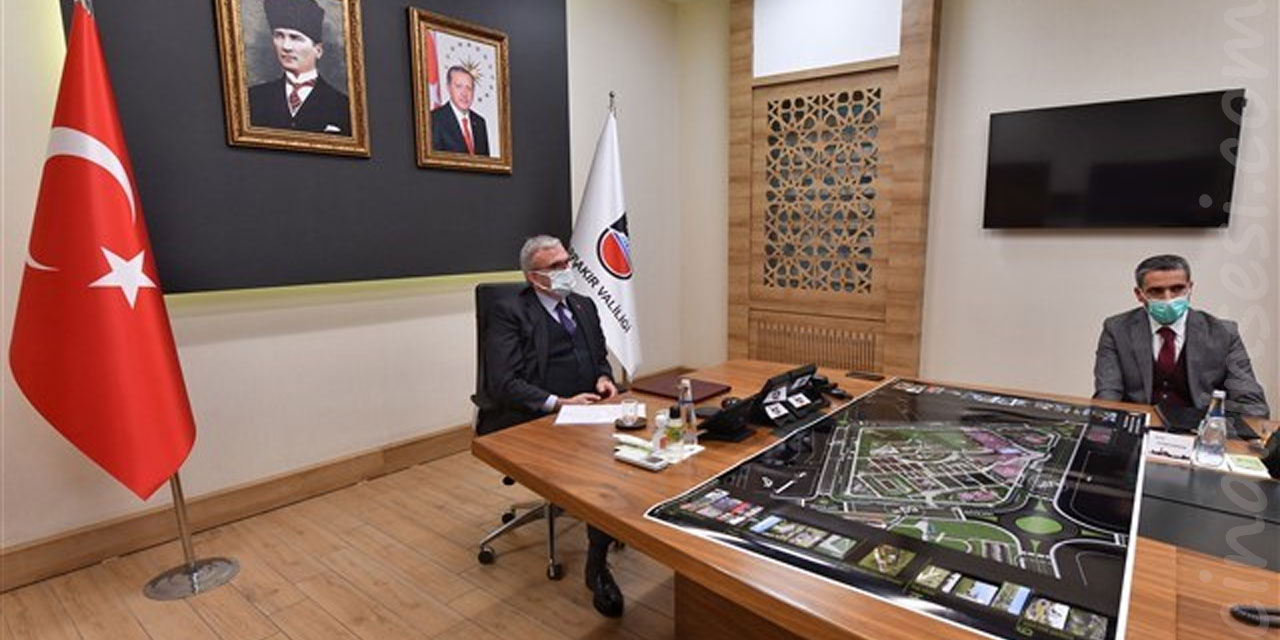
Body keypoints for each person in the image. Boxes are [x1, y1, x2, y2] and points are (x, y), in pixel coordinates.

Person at [476, 235, 624, 617]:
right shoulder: (510, 312)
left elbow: (600, 358)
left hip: (588, 410)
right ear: (533, 277)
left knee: (631, 451)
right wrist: (558, 403)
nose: (566, 271)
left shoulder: (584, 305)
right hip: (533, 415)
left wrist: (604, 379)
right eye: (555, 267)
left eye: (566, 262)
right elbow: (503, 382)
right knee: (602, 472)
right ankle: (596, 565)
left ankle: (612, 525)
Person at [1093, 254, 1269, 417]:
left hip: (1199, 430)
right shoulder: (1116, 329)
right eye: (1156, 291)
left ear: (1190, 288)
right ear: (1139, 294)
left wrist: (1217, 430)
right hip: (1138, 426)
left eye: (1177, 289)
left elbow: (1252, 404)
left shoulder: (1224, 333)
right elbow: (1108, 394)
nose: (1168, 299)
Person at [248, 0, 351, 135]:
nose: (286, 47)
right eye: (279, 35)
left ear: (318, 50)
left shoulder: (342, 105)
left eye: (295, 38)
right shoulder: (254, 98)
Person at [430, 66, 491, 155]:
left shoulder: (480, 122)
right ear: (448, 88)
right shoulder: (434, 119)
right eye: (459, 86)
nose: (464, 93)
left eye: (469, 88)